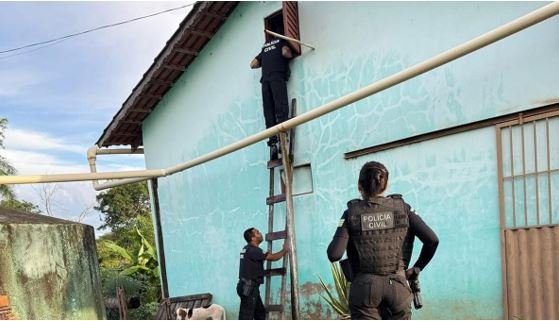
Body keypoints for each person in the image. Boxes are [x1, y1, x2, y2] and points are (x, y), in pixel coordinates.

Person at [327, 161, 439, 320]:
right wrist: (417, 268)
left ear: (360, 185)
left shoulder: (351, 213)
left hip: (364, 291)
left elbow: (334, 254)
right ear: (386, 185)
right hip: (398, 287)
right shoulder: (403, 208)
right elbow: (432, 240)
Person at [250, 27, 293, 158]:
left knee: (269, 113)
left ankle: (273, 143)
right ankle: (282, 138)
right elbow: (286, 53)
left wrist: (266, 62)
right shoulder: (282, 42)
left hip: (265, 82)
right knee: (281, 107)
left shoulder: (264, 48)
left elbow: (253, 64)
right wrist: (290, 54)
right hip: (276, 78)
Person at [237, 227, 288, 320]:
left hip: (248, 287)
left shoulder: (247, 249)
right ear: (252, 238)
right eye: (257, 233)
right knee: (246, 316)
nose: (260, 233)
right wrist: (284, 250)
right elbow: (273, 257)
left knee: (260, 313)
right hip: (249, 288)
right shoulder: (254, 250)